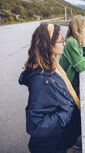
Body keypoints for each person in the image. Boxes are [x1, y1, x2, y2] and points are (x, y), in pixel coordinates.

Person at [18, 23, 81, 153]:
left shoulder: (53, 66)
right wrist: (67, 111)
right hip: (49, 147)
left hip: (58, 142)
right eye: (61, 41)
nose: (64, 44)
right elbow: (35, 125)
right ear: (48, 45)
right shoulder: (40, 79)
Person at [59, 15, 85, 94]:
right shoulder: (71, 42)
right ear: (79, 28)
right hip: (66, 84)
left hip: (71, 82)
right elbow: (81, 66)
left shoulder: (77, 41)